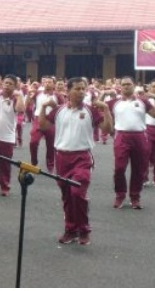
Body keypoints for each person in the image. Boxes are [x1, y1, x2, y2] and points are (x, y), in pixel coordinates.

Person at [39, 77, 112, 245]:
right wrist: (43, 107)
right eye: (77, 89)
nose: (81, 92)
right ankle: (70, 230)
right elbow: (43, 126)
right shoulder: (58, 110)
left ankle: (84, 229)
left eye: (83, 89)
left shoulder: (91, 110)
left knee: (77, 193)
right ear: (68, 91)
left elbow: (107, 129)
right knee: (66, 196)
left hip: (82, 158)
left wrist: (106, 110)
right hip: (62, 158)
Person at [106, 76, 155, 210]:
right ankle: (120, 195)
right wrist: (102, 94)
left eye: (129, 84)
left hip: (140, 136)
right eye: (123, 85)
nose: (126, 87)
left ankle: (135, 197)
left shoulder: (143, 102)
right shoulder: (114, 103)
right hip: (121, 136)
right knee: (119, 168)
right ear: (120, 87)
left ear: (134, 85)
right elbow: (99, 109)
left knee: (138, 169)